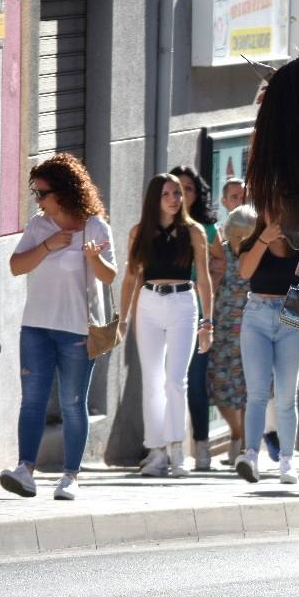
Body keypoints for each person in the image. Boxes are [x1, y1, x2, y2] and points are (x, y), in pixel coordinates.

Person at [1, 155, 115, 499]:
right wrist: (48, 245)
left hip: (77, 330)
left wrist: (93, 257)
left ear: (63, 192)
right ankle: (25, 470)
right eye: (35, 192)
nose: (37, 199)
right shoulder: (38, 226)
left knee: (71, 402)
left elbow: (110, 277)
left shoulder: (95, 227)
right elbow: (16, 267)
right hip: (36, 326)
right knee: (32, 401)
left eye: (42, 192)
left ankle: (70, 476)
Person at [119, 173, 214, 478]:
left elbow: (204, 279)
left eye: (177, 193)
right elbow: (131, 278)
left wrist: (207, 323)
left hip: (183, 303)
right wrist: (122, 320)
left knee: (175, 379)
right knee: (152, 379)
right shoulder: (139, 233)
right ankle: (156, 450)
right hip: (148, 303)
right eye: (167, 194)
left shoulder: (194, 231)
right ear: (154, 200)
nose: (175, 199)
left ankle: (177, 449)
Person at [235, 214, 299, 483]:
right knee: (258, 393)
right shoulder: (252, 240)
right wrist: (264, 238)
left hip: (292, 314)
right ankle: (251, 456)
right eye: (271, 209)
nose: (278, 214)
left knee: (288, 396)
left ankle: (287, 460)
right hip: (257, 314)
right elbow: (244, 272)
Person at [170, 165, 221, 470]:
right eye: (176, 189)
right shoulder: (160, 226)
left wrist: (207, 285)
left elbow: (220, 262)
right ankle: (166, 445)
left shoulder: (206, 229)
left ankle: (201, 446)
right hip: (162, 310)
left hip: (196, 310)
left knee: (195, 382)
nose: (181, 195)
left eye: (187, 189)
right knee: (169, 381)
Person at [209, 203, 254, 468]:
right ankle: (236, 432)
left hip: (251, 332)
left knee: (250, 391)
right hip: (223, 332)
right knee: (221, 388)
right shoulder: (222, 255)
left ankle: (245, 445)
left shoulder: (259, 255)